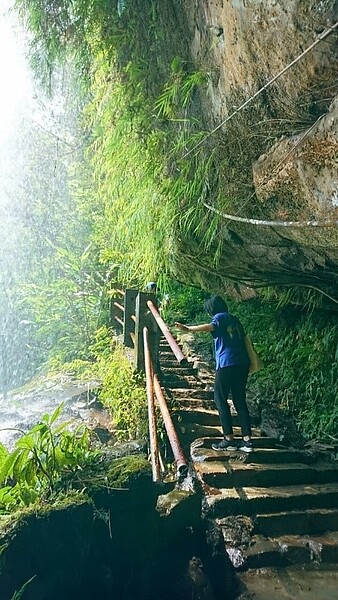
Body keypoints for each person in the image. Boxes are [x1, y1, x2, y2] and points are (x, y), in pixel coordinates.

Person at [175, 295, 253, 452]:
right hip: (242, 363)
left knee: (220, 399)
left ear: (212, 309)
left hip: (227, 363)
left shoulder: (219, 317)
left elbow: (210, 326)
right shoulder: (234, 319)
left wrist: (189, 329)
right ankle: (247, 441)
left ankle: (229, 439)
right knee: (239, 400)